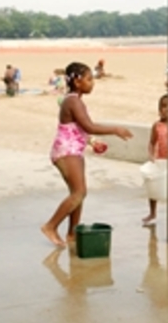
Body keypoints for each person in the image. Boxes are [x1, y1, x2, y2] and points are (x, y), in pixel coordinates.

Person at [41, 61, 133, 247]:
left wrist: (91, 142)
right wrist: (115, 129)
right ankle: (50, 226)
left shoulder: (74, 100)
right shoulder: (73, 101)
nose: (93, 83)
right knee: (79, 192)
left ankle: (72, 234)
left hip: (72, 149)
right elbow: (89, 125)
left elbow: (77, 128)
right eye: (89, 79)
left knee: (78, 193)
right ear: (77, 82)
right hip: (67, 152)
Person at [142, 94, 168, 225]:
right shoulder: (157, 126)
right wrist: (151, 156)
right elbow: (152, 142)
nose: (167, 109)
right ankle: (152, 212)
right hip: (160, 159)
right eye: (163, 106)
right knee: (153, 185)